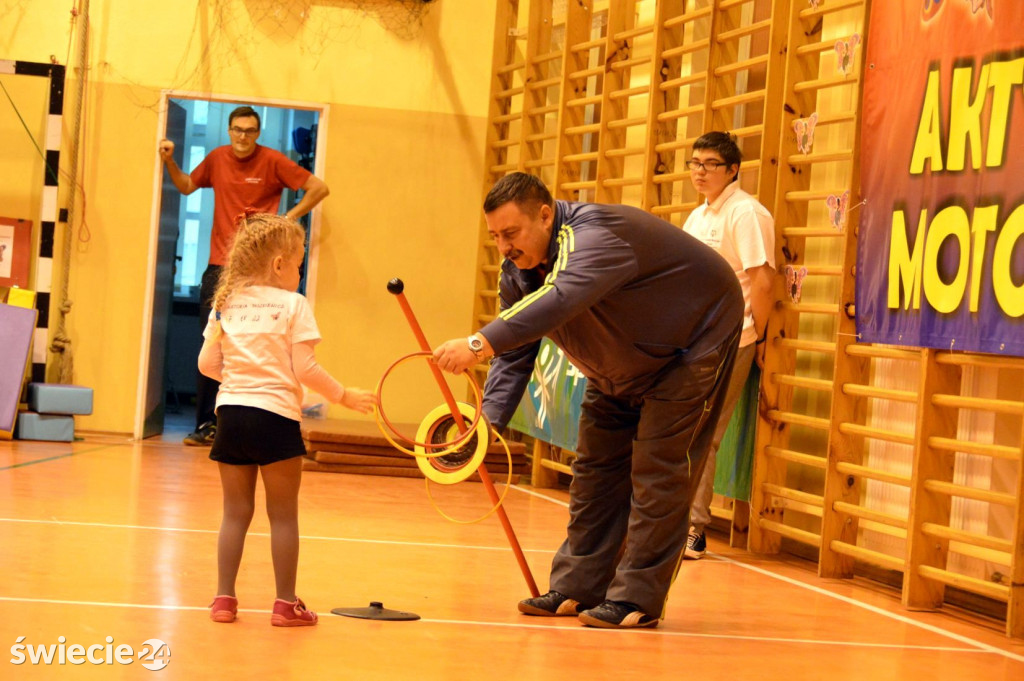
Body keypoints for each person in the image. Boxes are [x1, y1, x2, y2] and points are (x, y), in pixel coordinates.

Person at [431, 172, 744, 629]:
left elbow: (560, 299)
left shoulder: (595, 236)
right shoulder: (518, 271)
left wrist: (478, 343)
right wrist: (486, 427)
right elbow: (516, 353)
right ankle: (577, 588)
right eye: (495, 236)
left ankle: (636, 598)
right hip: (616, 362)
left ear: (544, 214)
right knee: (594, 470)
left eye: (511, 234)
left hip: (689, 348)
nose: (504, 247)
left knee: (658, 472)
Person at [197, 212, 374, 626]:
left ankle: (223, 600)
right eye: (298, 261)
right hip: (275, 417)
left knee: (234, 513)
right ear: (279, 264)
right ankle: (284, 604)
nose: (299, 269)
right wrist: (343, 395)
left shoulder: (226, 304)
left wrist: (241, 381)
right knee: (283, 515)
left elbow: (207, 363)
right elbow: (306, 369)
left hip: (232, 416)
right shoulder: (294, 305)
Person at [159, 105, 330, 446]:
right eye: (237, 130)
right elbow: (188, 186)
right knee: (214, 344)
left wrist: (286, 219)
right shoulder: (218, 157)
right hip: (220, 267)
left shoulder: (273, 160)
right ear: (228, 130)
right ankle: (208, 423)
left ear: (258, 133)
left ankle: (259, 415)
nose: (243, 137)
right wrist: (169, 161)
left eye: (250, 131)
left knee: (262, 342)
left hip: (261, 271)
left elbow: (319, 188)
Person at [681, 132, 775, 560]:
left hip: (732, 339)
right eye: (695, 163)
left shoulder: (746, 214)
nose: (699, 171)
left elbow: (762, 280)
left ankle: (694, 530)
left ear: (733, 169)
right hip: (694, 342)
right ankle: (675, 521)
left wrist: (759, 335)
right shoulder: (697, 216)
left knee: (706, 433)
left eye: (710, 164)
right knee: (683, 431)